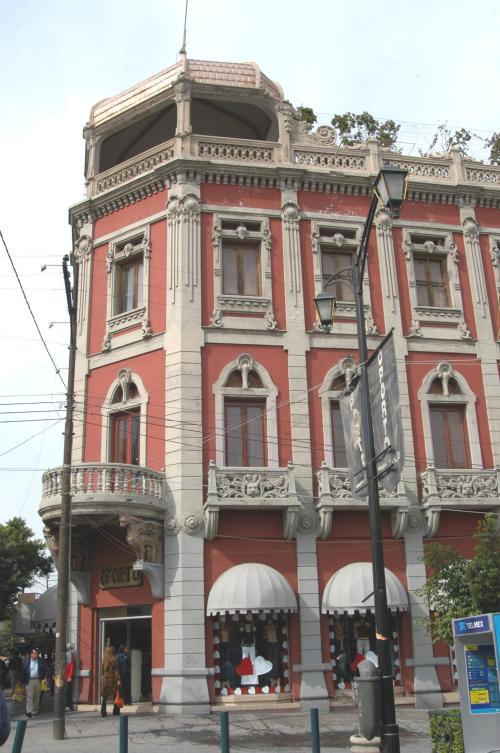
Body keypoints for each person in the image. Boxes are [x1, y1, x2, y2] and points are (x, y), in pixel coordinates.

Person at [22, 648, 46, 718]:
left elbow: (45, 670)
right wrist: (22, 682)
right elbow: (23, 672)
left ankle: (35, 711)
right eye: (34, 653)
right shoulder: (26, 662)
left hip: (38, 680)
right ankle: (29, 711)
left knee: (37, 696)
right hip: (29, 680)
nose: (36, 655)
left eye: (37, 653)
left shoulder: (41, 661)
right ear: (31, 654)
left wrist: (45, 678)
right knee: (30, 696)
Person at [100, 646, 120, 717]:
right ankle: (116, 711)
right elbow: (116, 671)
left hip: (105, 679)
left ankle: (103, 712)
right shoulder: (114, 659)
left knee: (105, 697)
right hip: (112, 679)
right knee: (115, 695)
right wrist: (118, 679)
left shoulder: (104, 660)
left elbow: (102, 671)